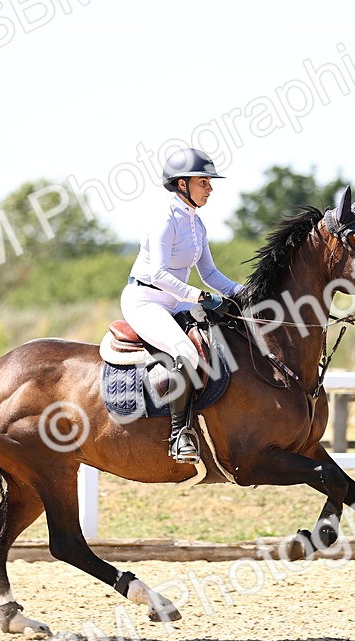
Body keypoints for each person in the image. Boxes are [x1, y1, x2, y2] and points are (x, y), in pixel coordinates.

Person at [121, 147, 243, 464]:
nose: (211, 188)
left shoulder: (196, 224)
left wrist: (245, 292)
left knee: (220, 341)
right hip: (146, 300)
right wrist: (200, 297)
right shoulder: (164, 219)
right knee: (187, 353)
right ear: (182, 184)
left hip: (175, 303)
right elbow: (159, 274)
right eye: (204, 181)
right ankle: (180, 435)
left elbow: (210, 274)